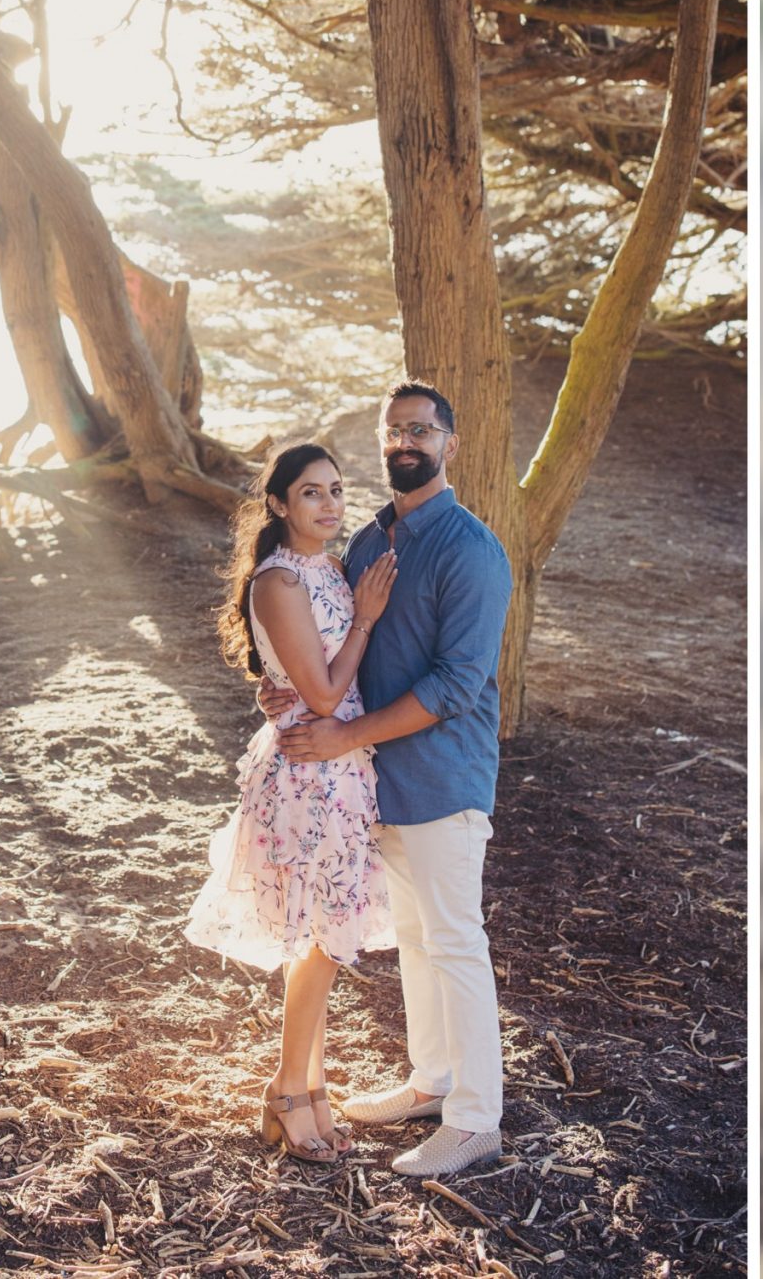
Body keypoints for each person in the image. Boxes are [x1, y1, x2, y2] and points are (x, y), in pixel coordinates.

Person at [268, 381, 513, 1180]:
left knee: (454, 941)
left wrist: (344, 734)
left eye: (423, 429)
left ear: (450, 444)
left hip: (443, 778)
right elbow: (334, 650)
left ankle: (476, 1121)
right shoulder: (372, 542)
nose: (407, 440)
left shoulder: (472, 550)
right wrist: (289, 693)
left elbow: (457, 686)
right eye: (394, 428)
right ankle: (432, 1083)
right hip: (376, 780)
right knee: (414, 940)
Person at [183, 442, 397, 1164]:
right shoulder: (279, 581)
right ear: (278, 504)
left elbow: (300, 676)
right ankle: (286, 1092)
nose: (331, 504)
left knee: (325, 940)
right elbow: (326, 694)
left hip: (342, 768)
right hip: (311, 775)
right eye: (311, 492)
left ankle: (311, 1087)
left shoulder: (325, 568)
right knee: (322, 943)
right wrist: (366, 617)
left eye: (337, 490)